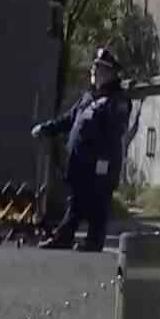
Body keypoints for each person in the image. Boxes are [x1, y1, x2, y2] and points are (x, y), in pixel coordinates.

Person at [33, 48, 133, 253]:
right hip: (80, 161)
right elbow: (69, 119)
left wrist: (101, 162)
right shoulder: (89, 97)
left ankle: (93, 241)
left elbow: (114, 133)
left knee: (98, 201)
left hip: (100, 164)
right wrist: (46, 129)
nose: (94, 70)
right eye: (94, 66)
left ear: (111, 73)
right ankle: (65, 237)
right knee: (77, 200)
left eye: (99, 67)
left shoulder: (118, 100)